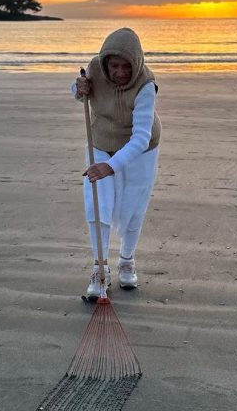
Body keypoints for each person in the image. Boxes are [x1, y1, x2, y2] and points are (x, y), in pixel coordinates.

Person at [70, 27, 161, 298]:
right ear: (106, 62)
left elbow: (141, 137)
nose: (120, 72)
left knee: (133, 207)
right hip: (99, 141)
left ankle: (126, 261)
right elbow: (79, 90)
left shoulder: (146, 85)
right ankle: (100, 270)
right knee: (98, 202)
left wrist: (112, 166)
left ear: (136, 63)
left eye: (126, 66)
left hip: (140, 149)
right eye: (114, 66)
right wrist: (78, 88)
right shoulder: (95, 68)